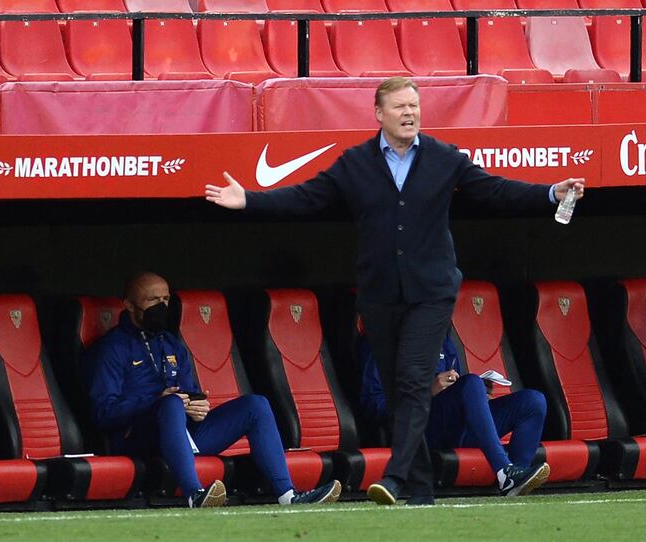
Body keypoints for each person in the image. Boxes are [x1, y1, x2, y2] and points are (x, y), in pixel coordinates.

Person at [204, 77, 584, 506]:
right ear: (379, 114)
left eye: (414, 106)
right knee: (399, 389)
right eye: (400, 106)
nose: (409, 113)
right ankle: (421, 492)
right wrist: (250, 201)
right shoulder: (356, 163)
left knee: (412, 380)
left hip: (432, 293)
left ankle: (398, 476)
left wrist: (551, 193)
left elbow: (495, 190)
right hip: (380, 297)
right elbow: (307, 197)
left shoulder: (444, 158)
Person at [83, 271, 341, 508]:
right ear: (128, 305)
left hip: (183, 434)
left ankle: (288, 495)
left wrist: (197, 407)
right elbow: (103, 412)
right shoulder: (112, 348)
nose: (162, 307)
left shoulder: (172, 344)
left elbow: (188, 393)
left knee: (256, 404)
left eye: (166, 299)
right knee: (171, 403)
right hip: (137, 439)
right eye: (153, 300)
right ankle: (195, 494)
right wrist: (157, 400)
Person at [359, 333, 550, 503]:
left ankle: (517, 479)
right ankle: (505, 472)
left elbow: (455, 384)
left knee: (533, 401)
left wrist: (476, 396)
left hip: (455, 427)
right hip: (419, 432)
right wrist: (428, 392)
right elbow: (372, 406)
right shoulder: (381, 338)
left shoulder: (442, 335)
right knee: (471, 383)